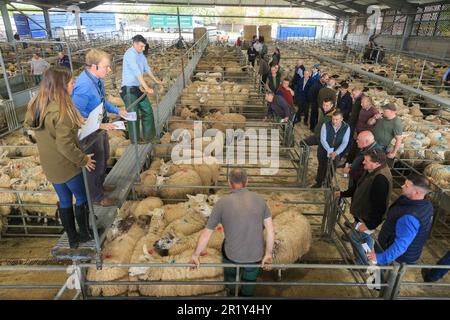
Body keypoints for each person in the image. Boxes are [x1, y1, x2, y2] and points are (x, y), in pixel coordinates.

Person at [24, 67, 96, 249]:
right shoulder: (61, 112)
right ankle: (85, 234)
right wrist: (84, 160)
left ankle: (72, 239)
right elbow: (65, 145)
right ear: (61, 86)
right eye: (71, 83)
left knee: (64, 201)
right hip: (67, 165)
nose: (74, 85)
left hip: (50, 165)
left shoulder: (37, 105)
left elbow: (34, 130)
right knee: (81, 198)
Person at [191, 168, 274, 297]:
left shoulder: (221, 203)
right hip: (255, 255)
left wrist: (196, 255)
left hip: (232, 255)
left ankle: (230, 289)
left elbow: (207, 233)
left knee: (228, 264)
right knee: (250, 279)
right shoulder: (260, 199)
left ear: (229, 183)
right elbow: (270, 230)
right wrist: (268, 254)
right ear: (247, 182)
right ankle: (247, 296)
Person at [72, 49, 128, 207]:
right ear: (94, 66)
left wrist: (118, 110)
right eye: (106, 66)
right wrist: (99, 125)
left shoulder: (97, 80)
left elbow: (103, 102)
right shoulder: (83, 87)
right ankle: (96, 197)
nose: (109, 70)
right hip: (90, 133)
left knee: (103, 158)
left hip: (100, 126)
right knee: (94, 163)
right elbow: (76, 117)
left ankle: (100, 186)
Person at [337, 149, 392, 265]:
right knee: (365, 239)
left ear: (376, 163)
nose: (363, 163)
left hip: (367, 218)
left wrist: (369, 225)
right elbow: (359, 186)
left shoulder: (380, 179)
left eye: (366, 161)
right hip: (362, 215)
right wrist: (343, 193)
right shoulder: (371, 170)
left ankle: (362, 263)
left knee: (354, 237)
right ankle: (369, 258)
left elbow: (380, 207)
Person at [367, 174, 434, 266]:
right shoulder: (425, 203)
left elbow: (401, 245)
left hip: (396, 257)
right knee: (379, 276)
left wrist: (381, 257)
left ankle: (380, 280)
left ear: (417, 192)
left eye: (406, 186)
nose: (402, 186)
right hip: (392, 244)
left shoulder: (409, 217)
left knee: (383, 276)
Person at [120, 34, 163, 144]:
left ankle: (149, 137)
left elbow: (146, 68)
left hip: (136, 88)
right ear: (134, 44)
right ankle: (135, 141)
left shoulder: (140, 55)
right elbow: (137, 72)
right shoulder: (130, 54)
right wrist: (147, 88)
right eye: (141, 46)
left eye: (144, 46)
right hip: (128, 89)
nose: (143, 49)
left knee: (147, 110)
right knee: (133, 114)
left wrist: (155, 80)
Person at [313, 111, 350, 188]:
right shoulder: (325, 125)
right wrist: (329, 150)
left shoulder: (346, 127)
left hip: (337, 151)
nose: (334, 121)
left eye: (336, 119)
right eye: (333, 119)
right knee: (322, 165)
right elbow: (323, 139)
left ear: (341, 119)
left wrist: (336, 152)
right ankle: (319, 182)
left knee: (332, 167)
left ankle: (328, 183)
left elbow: (345, 142)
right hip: (324, 149)